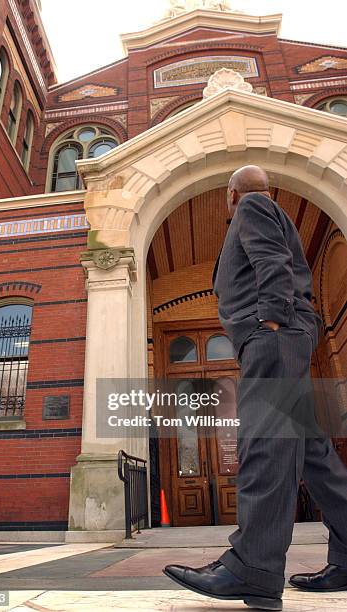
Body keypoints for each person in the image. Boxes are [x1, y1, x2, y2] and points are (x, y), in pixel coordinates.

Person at [163, 165, 347, 611]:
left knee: (266, 442)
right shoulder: (265, 208)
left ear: (231, 194)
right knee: (314, 452)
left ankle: (254, 567)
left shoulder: (253, 207)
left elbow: (271, 261)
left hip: (275, 338)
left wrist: (270, 320)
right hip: (283, 338)